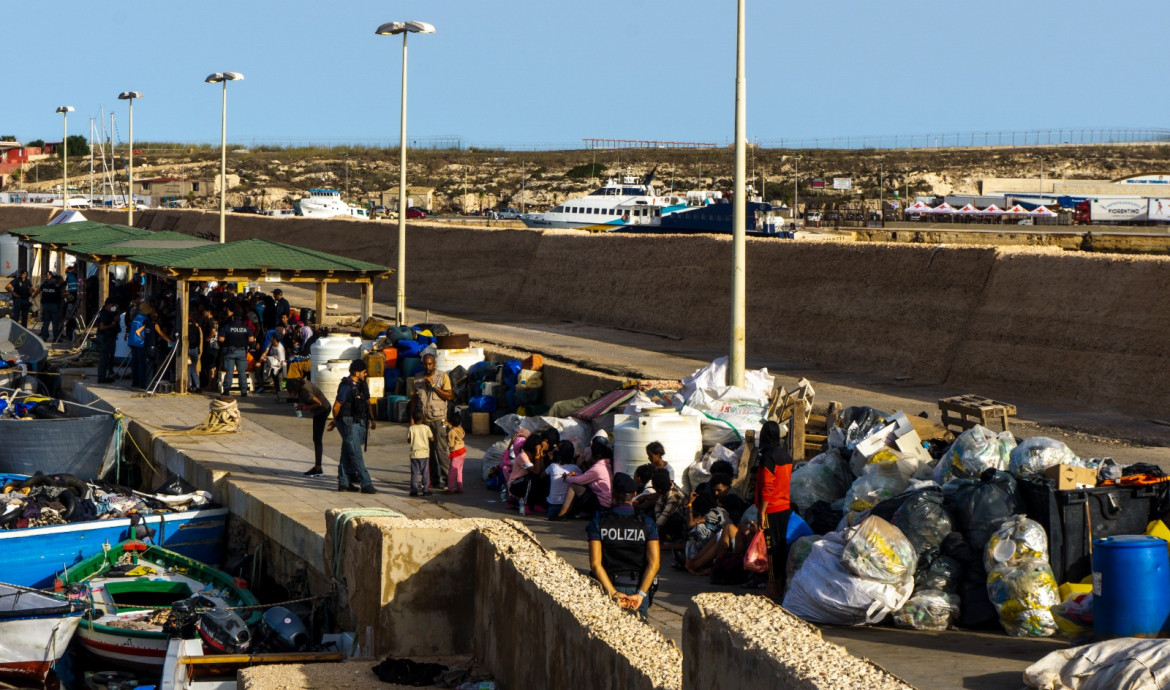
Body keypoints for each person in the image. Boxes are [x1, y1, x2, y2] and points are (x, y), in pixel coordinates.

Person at [587, 472, 660, 618]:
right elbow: (654, 563)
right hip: (638, 586)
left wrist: (613, 593)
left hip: (608, 585)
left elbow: (595, 564)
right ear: (634, 494)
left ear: (612, 494)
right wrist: (640, 594)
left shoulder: (599, 522)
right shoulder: (647, 522)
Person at [755, 420, 793, 600]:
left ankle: (772, 589)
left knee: (770, 549)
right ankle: (779, 587)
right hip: (784, 506)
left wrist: (762, 512)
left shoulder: (768, 457)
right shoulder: (785, 455)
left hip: (771, 508)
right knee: (779, 547)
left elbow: (767, 487)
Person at [328, 359, 377, 494]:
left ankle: (344, 482)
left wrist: (372, 418)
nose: (365, 374)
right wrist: (336, 420)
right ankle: (366, 483)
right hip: (348, 423)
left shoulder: (362, 384)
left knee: (347, 452)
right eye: (364, 372)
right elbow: (337, 406)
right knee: (356, 453)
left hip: (359, 421)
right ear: (357, 372)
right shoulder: (346, 387)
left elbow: (367, 401)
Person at [411, 353, 453, 490]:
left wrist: (434, 386)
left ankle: (448, 480)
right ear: (422, 364)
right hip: (424, 421)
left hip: (439, 419)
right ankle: (433, 480)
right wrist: (412, 419)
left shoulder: (442, 377)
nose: (427, 366)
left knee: (441, 450)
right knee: (427, 452)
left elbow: (449, 395)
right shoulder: (417, 378)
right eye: (425, 364)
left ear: (434, 363)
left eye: (430, 364)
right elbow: (414, 400)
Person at [552, 439, 613, 521]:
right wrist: (575, 474)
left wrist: (566, 477)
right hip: (605, 502)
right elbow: (585, 477)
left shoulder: (597, 468)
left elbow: (580, 480)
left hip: (601, 504)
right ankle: (567, 512)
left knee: (573, 485)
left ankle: (562, 513)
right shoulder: (605, 465)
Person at [288, 377, 331, 477]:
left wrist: (303, 408)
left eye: (290, 391)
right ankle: (317, 467)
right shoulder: (302, 383)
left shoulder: (305, 392)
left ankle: (318, 468)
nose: (289, 393)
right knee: (316, 439)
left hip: (322, 410)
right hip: (322, 409)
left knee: (317, 439)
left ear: (295, 389)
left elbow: (318, 403)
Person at [217, 304, 255, 396]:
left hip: (230, 351)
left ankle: (226, 390)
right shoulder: (246, 327)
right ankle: (244, 391)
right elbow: (251, 339)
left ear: (233, 317)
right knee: (242, 372)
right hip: (242, 351)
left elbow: (221, 339)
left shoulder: (227, 327)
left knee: (229, 371)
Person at [545, 441, 581, 517]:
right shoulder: (575, 468)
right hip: (569, 507)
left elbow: (541, 476)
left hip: (552, 506)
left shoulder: (553, 466)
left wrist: (551, 459)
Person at [408, 409, 434, 497]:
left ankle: (414, 490)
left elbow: (409, 440)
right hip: (424, 454)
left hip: (414, 455)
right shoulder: (426, 428)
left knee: (414, 473)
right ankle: (426, 489)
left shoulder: (411, 428)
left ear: (413, 419)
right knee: (425, 473)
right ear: (423, 419)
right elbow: (432, 438)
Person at [127, 303, 154, 388]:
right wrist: (143, 339)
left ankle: (135, 382)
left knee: (135, 363)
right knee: (141, 364)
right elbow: (138, 332)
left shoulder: (136, 317)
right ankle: (142, 383)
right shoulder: (145, 320)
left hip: (132, 342)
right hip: (140, 343)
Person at [95, 298, 120, 383]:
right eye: (113, 305)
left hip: (110, 337)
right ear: (108, 305)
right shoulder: (104, 314)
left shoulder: (110, 313)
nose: (114, 307)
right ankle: (101, 377)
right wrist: (111, 325)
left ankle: (106, 375)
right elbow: (101, 327)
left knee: (108, 358)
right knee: (104, 359)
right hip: (105, 338)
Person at [35, 272, 64, 341]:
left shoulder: (44, 285)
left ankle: (44, 337)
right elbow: (61, 295)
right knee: (55, 322)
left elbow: (38, 291)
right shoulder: (56, 286)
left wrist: (32, 297)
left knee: (46, 322)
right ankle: (56, 337)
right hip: (54, 305)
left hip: (45, 306)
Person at [445, 409, 466, 494]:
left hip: (456, 452)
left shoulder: (451, 432)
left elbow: (451, 444)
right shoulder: (460, 428)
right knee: (459, 471)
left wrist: (447, 437)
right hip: (462, 451)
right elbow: (454, 427)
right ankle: (460, 488)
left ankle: (450, 489)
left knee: (452, 472)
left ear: (451, 422)